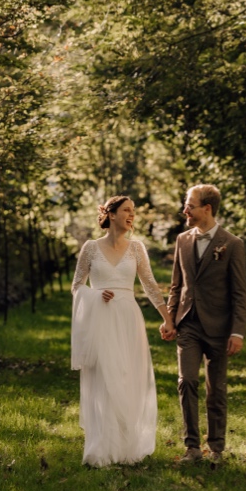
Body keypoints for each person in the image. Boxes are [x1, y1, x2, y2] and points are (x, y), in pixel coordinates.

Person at [69, 195, 169, 466]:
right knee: (103, 376)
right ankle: (102, 447)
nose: (131, 215)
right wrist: (94, 296)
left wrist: (167, 318)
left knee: (127, 376)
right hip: (100, 318)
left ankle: (127, 446)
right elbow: (77, 286)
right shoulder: (90, 248)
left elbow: (150, 285)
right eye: (126, 210)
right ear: (111, 214)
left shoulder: (137, 248)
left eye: (133, 211)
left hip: (128, 319)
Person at [163, 183, 246, 465]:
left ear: (207, 209)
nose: (184, 210)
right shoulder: (182, 240)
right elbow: (176, 285)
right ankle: (192, 447)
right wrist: (170, 318)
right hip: (188, 325)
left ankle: (217, 448)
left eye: (189, 205)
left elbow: (239, 293)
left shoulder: (232, 244)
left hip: (219, 328)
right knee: (186, 380)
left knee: (217, 389)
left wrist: (237, 331)